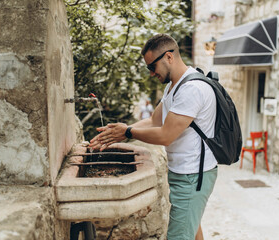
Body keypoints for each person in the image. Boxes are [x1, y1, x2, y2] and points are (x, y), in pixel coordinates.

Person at [89, 33, 218, 240]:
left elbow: (166, 135)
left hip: (193, 176)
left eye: (152, 67)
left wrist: (127, 131)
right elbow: (154, 121)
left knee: (179, 235)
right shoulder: (174, 86)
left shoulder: (192, 89)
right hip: (184, 173)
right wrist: (118, 134)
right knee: (192, 230)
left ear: (169, 57)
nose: (151, 73)